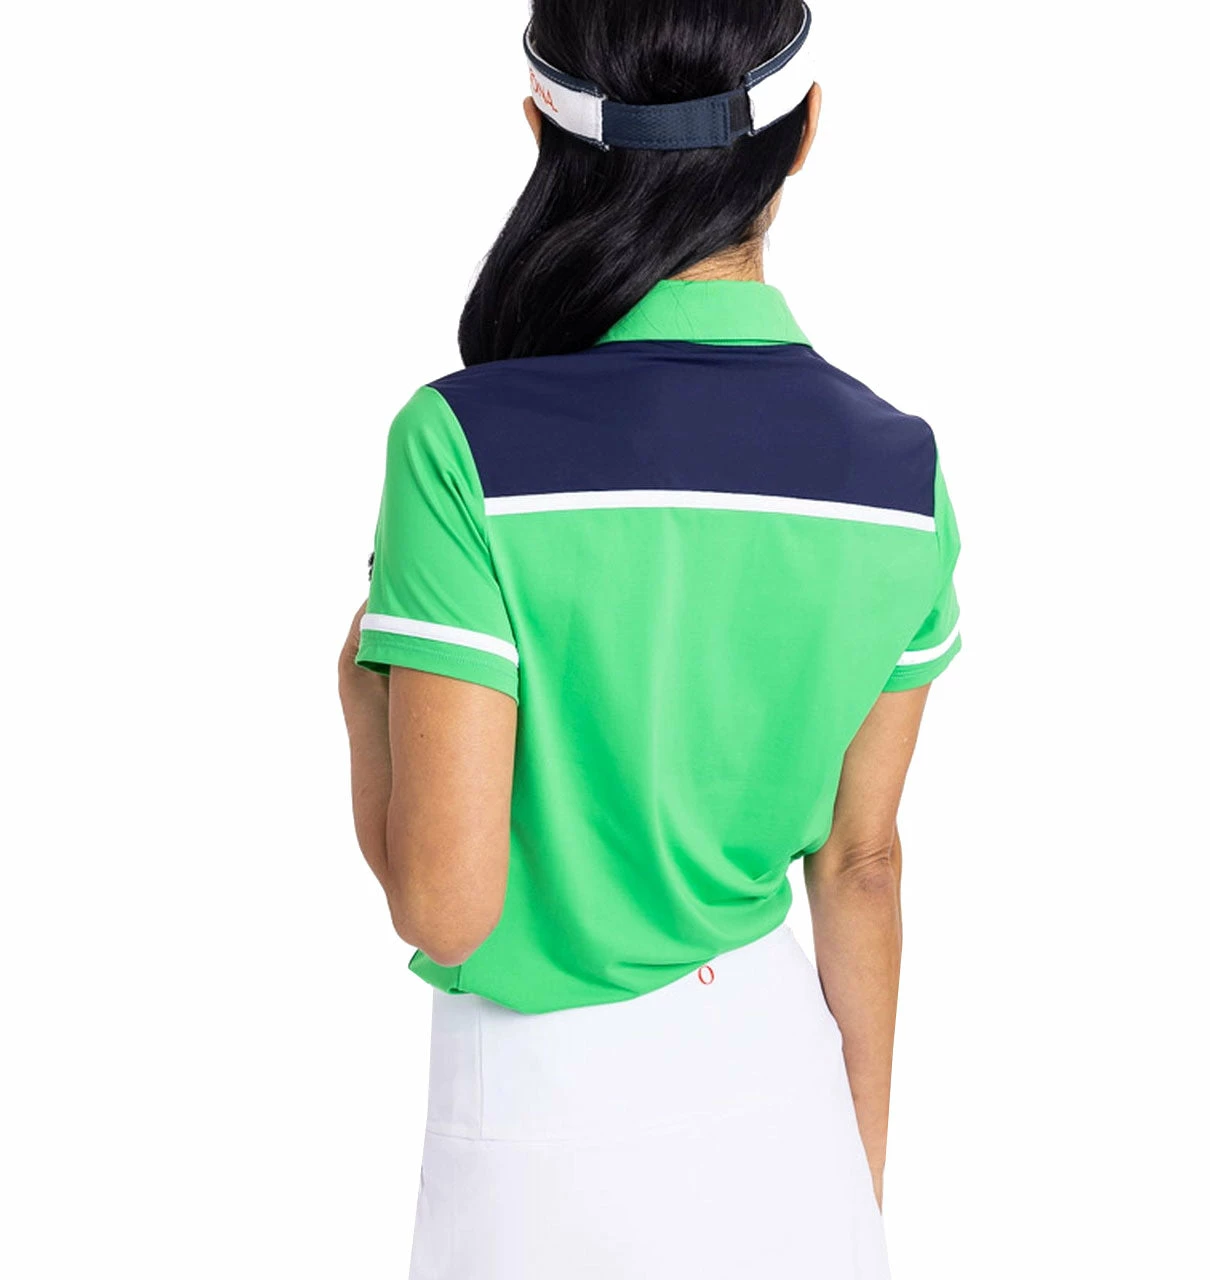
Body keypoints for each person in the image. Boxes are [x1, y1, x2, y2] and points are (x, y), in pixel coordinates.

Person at [338, 2, 962, 1275]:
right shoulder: (898, 474)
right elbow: (861, 863)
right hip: (789, 1108)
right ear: (803, 134)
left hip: (543, 1133)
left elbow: (447, 908)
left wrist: (360, 690)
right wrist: (854, 1186)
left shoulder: (463, 446)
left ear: (541, 130)